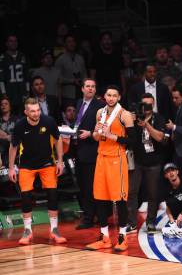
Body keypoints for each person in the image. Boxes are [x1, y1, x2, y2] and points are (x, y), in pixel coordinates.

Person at [8, 98, 66, 245]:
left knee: (52, 194)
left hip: (47, 163)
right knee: (26, 197)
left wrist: (60, 161)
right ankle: (27, 231)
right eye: (32, 111)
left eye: (38, 110)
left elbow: (58, 139)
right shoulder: (20, 125)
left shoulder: (49, 121)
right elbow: (13, 146)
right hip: (26, 165)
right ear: (26, 112)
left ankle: (54, 229)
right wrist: (10, 168)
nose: (36, 113)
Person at [86, 85, 136, 252]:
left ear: (119, 97)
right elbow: (96, 136)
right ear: (104, 96)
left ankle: (122, 237)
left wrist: (109, 135)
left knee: (119, 199)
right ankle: (104, 237)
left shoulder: (125, 115)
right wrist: (96, 133)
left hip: (117, 159)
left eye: (114, 95)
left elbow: (132, 141)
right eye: (109, 95)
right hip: (101, 158)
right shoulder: (100, 113)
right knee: (100, 198)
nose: (111, 98)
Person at [127, 93, 168, 233]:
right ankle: (131, 223)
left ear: (154, 103)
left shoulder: (159, 118)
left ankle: (150, 222)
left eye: (150, 104)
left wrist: (146, 125)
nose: (147, 107)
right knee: (132, 192)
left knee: (153, 194)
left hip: (154, 161)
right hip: (137, 161)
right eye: (144, 104)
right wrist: (131, 122)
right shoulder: (133, 118)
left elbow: (160, 137)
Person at [73, 79, 105, 229]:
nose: (90, 89)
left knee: (91, 187)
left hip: (92, 151)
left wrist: (91, 133)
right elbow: (78, 123)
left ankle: (90, 218)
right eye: (88, 86)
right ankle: (91, 216)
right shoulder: (79, 103)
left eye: (93, 86)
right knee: (84, 187)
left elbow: (104, 128)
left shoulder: (100, 105)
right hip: (79, 150)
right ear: (82, 89)